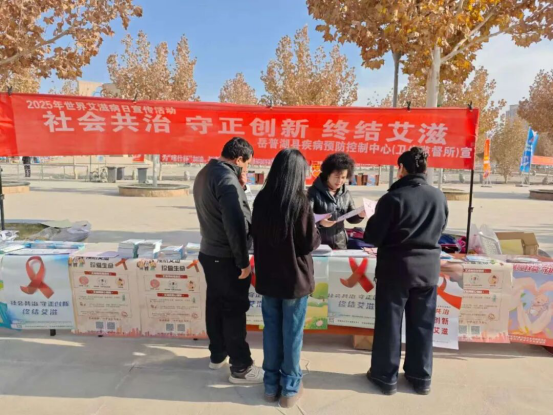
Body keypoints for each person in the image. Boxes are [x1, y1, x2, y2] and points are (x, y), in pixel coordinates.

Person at [363, 147, 448, 396]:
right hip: (428, 270)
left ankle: (385, 376)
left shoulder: (393, 198)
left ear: (401, 168)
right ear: (425, 169)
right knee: (422, 325)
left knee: (389, 325)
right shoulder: (438, 196)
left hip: (396, 269)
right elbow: (441, 228)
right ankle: (420, 377)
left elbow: (373, 236)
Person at [251, 149, 321, 408]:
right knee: (292, 334)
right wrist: (316, 230)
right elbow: (308, 243)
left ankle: (270, 385)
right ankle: (290, 387)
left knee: (271, 331)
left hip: (269, 278)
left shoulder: (262, 199)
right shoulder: (300, 202)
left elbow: (255, 235)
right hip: (294, 280)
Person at [193, 137, 263, 384]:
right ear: (239, 159)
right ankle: (241, 367)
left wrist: (240, 186)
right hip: (226, 256)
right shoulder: (226, 179)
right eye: (247, 164)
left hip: (210, 252)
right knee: (233, 309)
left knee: (215, 304)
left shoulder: (207, 172)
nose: (247, 169)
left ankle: (217, 354)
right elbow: (235, 224)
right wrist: (242, 261)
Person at [307, 152, 365, 249]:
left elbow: (351, 218)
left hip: (340, 244)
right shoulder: (313, 192)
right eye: (337, 177)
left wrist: (360, 215)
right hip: (319, 244)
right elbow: (306, 217)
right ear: (328, 174)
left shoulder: (346, 193)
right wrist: (320, 222)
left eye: (343, 177)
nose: (340, 181)